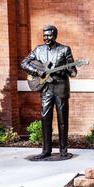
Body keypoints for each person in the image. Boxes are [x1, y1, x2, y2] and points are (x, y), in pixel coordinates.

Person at [21, 25, 77, 159]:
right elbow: (24, 63)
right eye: (44, 35)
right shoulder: (38, 50)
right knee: (45, 118)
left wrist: (65, 71)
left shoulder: (64, 50)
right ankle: (46, 150)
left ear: (55, 35)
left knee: (62, 120)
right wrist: (37, 71)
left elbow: (73, 71)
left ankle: (63, 150)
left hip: (60, 88)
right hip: (46, 88)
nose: (46, 38)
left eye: (49, 35)